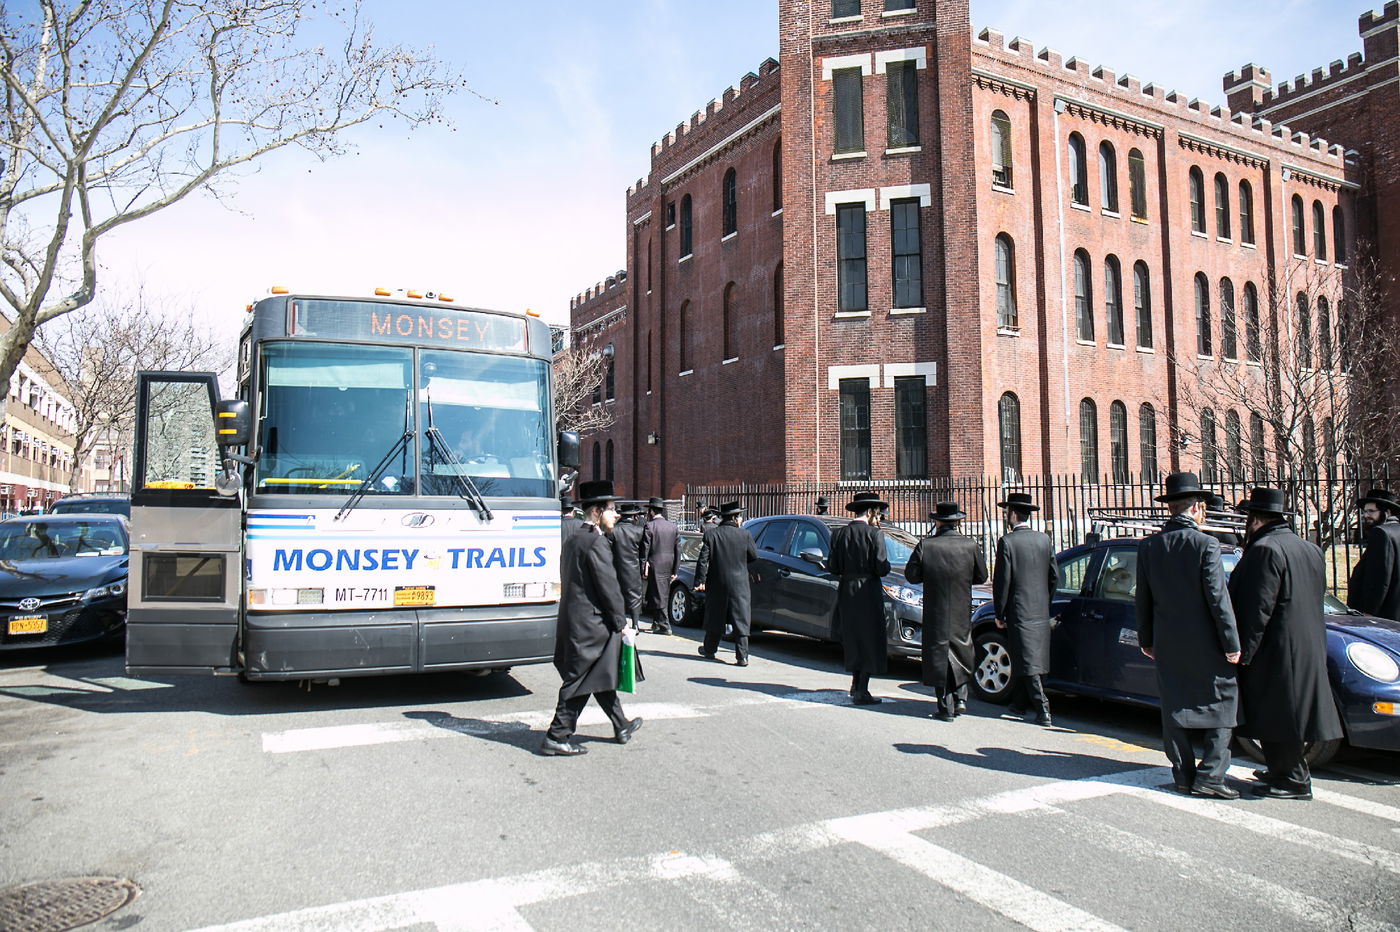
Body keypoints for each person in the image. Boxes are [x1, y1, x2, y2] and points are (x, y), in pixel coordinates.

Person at [1229, 487, 1343, 800]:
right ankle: (1281, 771)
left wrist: (1244, 652)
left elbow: (1257, 608)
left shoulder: (1266, 550)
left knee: (1279, 716)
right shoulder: (1309, 548)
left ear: (1254, 519)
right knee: (1285, 714)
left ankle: (1293, 779)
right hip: (1306, 644)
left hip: (1277, 649)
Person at [1136, 472, 1242, 799]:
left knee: (1175, 706)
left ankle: (1183, 775)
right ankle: (1210, 775)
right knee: (1223, 704)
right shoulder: (1205, 544)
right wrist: (1231, 643)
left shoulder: (1150, 545)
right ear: (1196, 508)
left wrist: (1146, 640)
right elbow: (1217, 597)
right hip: (1206, 642)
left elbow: (1143, 598)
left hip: (1167, 641)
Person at [541, 480, 643, 757]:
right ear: (597, 512)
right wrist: (622, 624)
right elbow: (608, 588)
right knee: (580, 679)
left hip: (576, 621)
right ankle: (556, 735)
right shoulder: (596, 543)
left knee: (597, 674)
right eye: (612, 509)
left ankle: (620, 724)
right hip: (592, 626)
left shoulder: (574, 539)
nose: (617, 514)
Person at [905, 501, 988, 720]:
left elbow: (911, 575)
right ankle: (961, 697)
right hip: (961, 606)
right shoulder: (970, 545)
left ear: (937, 521)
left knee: (938, 654)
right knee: (961, 649)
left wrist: (929, 574)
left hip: (935, 607)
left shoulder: (926, 545)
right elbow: (982, 576)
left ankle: (945, 706)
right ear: (958, 522)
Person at [991, 491, 1058, 725]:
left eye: (1007, 511)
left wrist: (999, 612)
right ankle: (1019, 703)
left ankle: (1043, 709)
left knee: (1028, 660)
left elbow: (1002, 582)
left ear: (1013, 513)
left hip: (1019, 610)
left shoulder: (1007, 542)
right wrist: (1044, 600)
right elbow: (1054, 576)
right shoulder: (1044, 539)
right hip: (1039, 608)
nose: (1006, 515)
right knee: (1027, 655)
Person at [829, 491, 892, 705]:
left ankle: (855, 683)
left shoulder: (838, 534)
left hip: (847, 589)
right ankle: (862, 689)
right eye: (878, 513)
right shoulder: (875, 535)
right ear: (870, 511)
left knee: (852, 636)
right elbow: (882, 567)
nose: (880, 517)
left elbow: (833, 566)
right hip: (868, 589)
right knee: (869, 638)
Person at [695, 501, 757, 665]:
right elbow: (753, 556)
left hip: (717, 582)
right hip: (739, 583)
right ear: (736, 518)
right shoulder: (745, 535)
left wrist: (700, 580)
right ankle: (742, 656)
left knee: (715, 616)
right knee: (741, 618)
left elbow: (702, 561)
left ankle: (709, 650)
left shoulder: (711, 535)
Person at [1347, 487, 1400, 621]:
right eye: (1364, 511)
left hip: (1384, 616)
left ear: (1386, 512)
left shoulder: (1381, 533)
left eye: (1371, 511)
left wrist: (1369, 612)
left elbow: (1379, 578)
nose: (1365, 515)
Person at [640, 497, 681, 635]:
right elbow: (678, 550)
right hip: (668, 564)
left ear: (651, 511)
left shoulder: (650, 526)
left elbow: (645, 548)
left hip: (654, 564)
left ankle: (665, 624)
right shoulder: (673, 527)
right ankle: (656, 623)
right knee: (658, 593)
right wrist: (675, 569)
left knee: (658, 594)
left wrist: (642, 565)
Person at [611, 502, 646, 631]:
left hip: (616, 566)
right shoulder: (639, 531)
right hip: (633, 567)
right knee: (635, 596)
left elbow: (608, 549)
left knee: (617, 594)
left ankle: (620, 622)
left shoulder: (613, 530)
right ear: (634, 516)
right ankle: (635, 624)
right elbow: (643, 552)